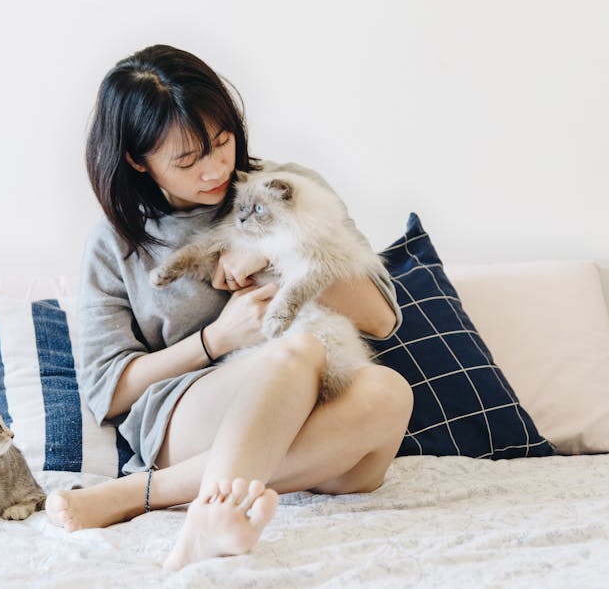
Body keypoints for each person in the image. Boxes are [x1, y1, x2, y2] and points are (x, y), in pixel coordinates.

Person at [46, 44, 413, 571]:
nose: (215, 168)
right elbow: (108, 389)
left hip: (322, 433)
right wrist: (215, 339)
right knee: (296, 352)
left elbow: (381, 318)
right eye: (187, 160)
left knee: (389, 391)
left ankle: (142, 494)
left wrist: (276, 249)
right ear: (137, 160)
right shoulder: (116, 242)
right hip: (193, 417)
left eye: (222, 142)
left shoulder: (284, 188)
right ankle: (206, 526)